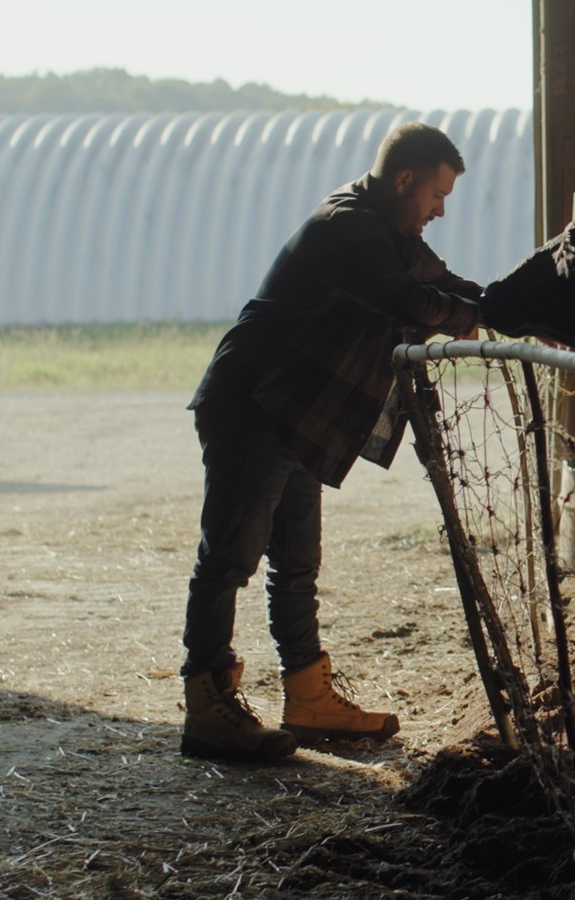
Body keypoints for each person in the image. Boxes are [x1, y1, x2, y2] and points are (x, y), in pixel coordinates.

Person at [180, 122, 482, 761]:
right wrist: (471, 313)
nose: (440, 211)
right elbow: (413, 302)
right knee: (230, 558)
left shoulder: (392, 232)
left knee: (297, 565)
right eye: (436, 195)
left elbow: (449, 287)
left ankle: (308, 697)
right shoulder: (348, 225)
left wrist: (521, 306)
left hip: (294, 414)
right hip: (252, 404)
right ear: (403, 181)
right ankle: (207, 708)